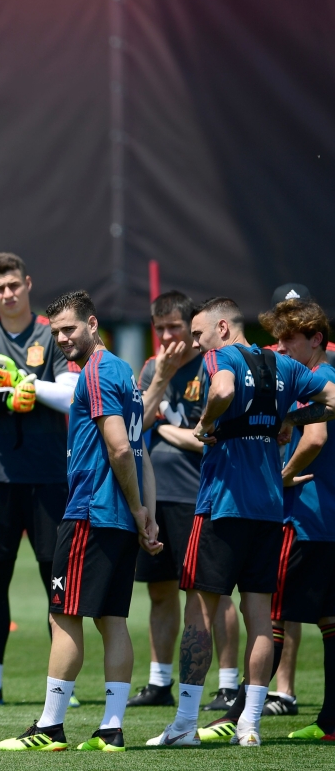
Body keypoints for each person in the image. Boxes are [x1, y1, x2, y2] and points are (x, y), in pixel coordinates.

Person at [148, 297, 335, 748]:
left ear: (223, 328)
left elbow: (223, 391)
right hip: (269, 509)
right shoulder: (284, 366)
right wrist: (291, 416)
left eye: (198, 333)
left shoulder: (222, 358)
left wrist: (205, 424)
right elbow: (331, 400)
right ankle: (249, 725)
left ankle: (184, 725)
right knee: (260, 618)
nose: (196, 343)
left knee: (200, 611)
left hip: (223, 506)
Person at [0, 290, 161, 752]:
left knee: (64, 615)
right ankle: (111, 728)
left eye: (69, 328)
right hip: (119, 517)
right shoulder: (124, 371)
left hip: (92, 512)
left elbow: (121, 447)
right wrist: (145, 513)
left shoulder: (98, 371)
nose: (63, 338)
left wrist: (138, 510)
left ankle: (50, 727)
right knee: (112, 620)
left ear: (92, 324)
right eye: (56, 333)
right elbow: (141, 451)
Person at [0, 252, 79, 706]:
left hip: (48, 477)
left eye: (14, 285)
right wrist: (5, 400)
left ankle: (63, 686)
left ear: (28, 284)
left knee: (55, 581)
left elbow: (71, 395)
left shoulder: (52, 331)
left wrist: (27, 385)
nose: (8, 294)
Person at [128, 292, 240, 710]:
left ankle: (228, 685)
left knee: (212, 593)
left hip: (201, 495)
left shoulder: (215, 365)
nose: (167, 335)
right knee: (159, 592)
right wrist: (160, 379)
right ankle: (159, 683)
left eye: (175, 326)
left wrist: (163, 431)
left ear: (193, 326)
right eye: (159, 328)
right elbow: (135, 425)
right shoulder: (152, 367)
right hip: (157, 495)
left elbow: (207, 438)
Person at [258, 300, 335, 740]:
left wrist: (282, 476)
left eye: (290, 339)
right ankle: (331, 722)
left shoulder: (315, 379)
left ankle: (238, 714)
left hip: (306, 516)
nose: (281, 347)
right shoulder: (325, 377)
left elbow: (316, 437)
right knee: (329, 620)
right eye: (279, 339)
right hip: (327, 519)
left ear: (316, 339)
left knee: (270, 614)